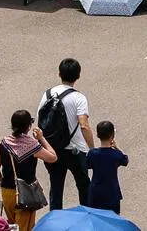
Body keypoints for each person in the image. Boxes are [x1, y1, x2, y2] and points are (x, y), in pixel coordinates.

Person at [37, 58, 92, 209]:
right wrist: (92, 148)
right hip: (75, 150)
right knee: (84, 187)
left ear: (59, 73)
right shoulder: (79, 98)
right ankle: (87, 219)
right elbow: (84, 126)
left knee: (56, 188)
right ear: (78, 76)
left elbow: (41, 123)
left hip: (53, 149)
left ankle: (55, 221)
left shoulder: (47, 94)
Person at [0, 110, 56, 231]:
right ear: (29, 126)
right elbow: (53, 157)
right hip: (26, 193)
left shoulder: (4, 143)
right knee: (24, 228)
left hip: (7, 191)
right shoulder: (32, 145)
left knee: (12, 225)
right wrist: (41, 138)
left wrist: (2, 181)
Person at [86, 121, 127, 213]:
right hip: (112, 192)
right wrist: (116, 148)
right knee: (113, 219)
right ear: (112, 135)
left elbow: (87, 165)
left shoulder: (92, 153)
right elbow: (125, 160)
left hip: (96, 192)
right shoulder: (116, 155)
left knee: (95, 217)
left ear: (97, 135)